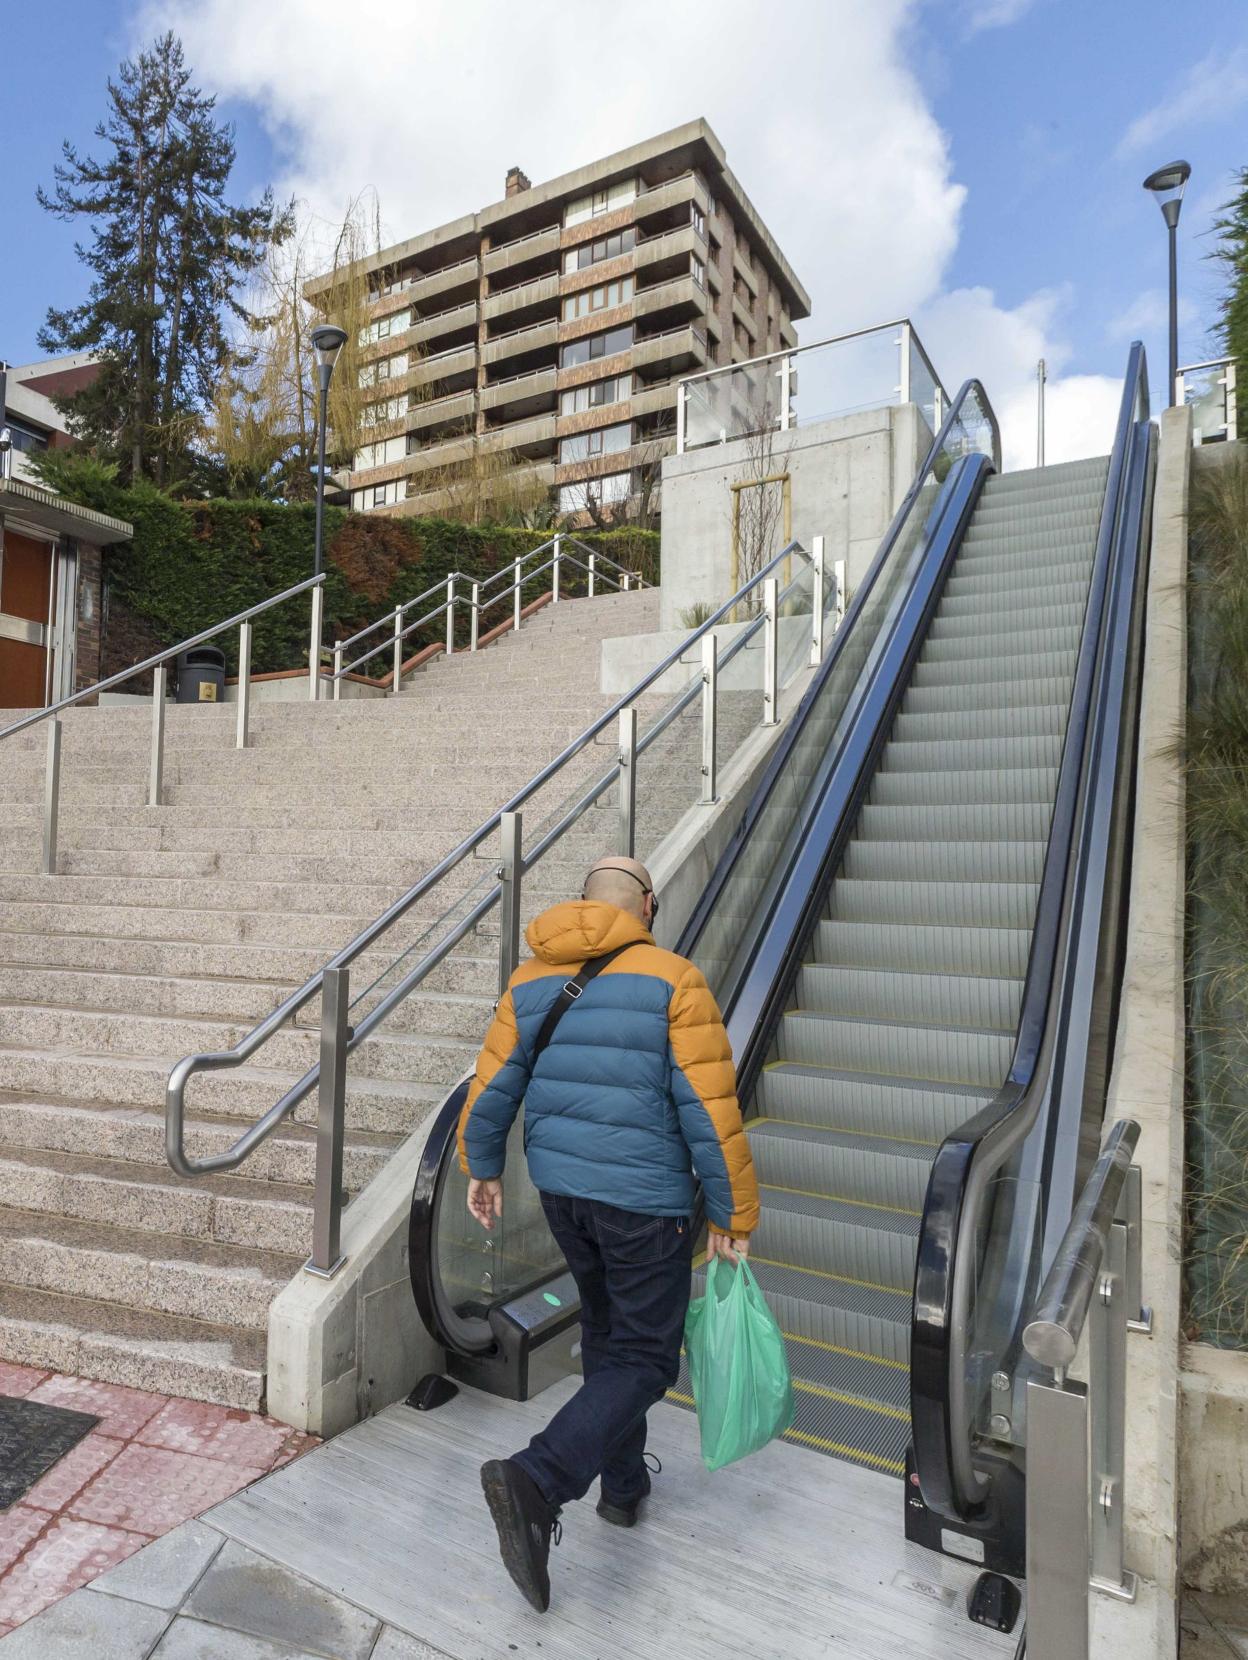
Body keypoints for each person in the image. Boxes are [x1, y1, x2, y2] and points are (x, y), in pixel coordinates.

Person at [458, 854, 759, 1612]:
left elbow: (492, 1083)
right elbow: (707, 1105)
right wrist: (734, 1212)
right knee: (647, 1358)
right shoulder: (673, 977)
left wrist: (482, 1167)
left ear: (581, 903)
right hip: (643, 1201)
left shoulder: (532, 979)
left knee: (608, 1336)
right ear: (647, 905)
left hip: (565, 1192)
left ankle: (622, 1488)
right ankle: (541, 1476)